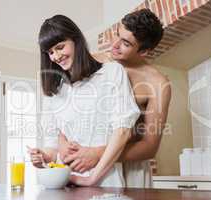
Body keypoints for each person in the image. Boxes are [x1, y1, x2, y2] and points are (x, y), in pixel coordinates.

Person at [58, 9, 172, 188]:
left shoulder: (157, 83)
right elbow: (68, 111)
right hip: (82, 164)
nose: (114, 45)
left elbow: (149, 146)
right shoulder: (94, 61)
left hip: (130, 172)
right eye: (117, 35)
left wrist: (98, 154)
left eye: (125, 43)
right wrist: (62, 143)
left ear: (144, 51)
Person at [29, 14, 140, 187]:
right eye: (50, 52)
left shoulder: (112, 73)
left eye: (60, 47)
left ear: (76, 40)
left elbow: (123, 132)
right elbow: (52, 148)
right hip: (66, 182)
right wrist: (43, 157)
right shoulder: (56, 89)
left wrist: (91, 179)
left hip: (105, 183)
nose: (56, 56)